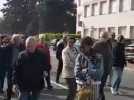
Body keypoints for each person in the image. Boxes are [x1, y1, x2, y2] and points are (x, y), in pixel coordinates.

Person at [92, 32, 113, 100]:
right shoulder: (97, 44)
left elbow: (110, 56)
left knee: (101, 88)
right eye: (103, 37)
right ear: (100, 37)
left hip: (106, 70)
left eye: (106, 37)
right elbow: (91, 55)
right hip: (99, 71)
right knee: (99, 89)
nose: (104, 38)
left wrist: (110, 69)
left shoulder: (108, 44)